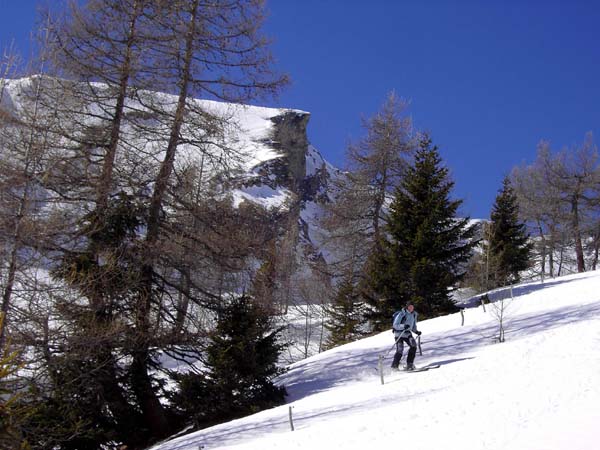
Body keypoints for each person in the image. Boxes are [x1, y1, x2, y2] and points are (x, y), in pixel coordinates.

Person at [391, 302, 422, 371]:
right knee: (400, 349)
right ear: (407, 307)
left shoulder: (414, 314)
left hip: (407, 333)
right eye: (410, 306)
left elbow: (413, 325)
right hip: (399, 333)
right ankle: (394, 366)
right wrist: (403, 326)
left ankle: (410, 364)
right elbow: (395, 325)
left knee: (413, 346)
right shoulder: (402, 314)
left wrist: (416, 331)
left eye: (412, 306)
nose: (411, 308)